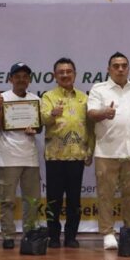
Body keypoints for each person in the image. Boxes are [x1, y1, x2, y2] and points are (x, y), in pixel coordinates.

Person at [87, 52, 130, 250]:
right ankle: (108, 233)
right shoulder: (99, 89)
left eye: (124, 66)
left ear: (128, 68)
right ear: (108, 69)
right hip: (106, 151)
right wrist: (105, 112)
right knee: (106, 195)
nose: (120, 69)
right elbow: (91, 113)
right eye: (116, 66)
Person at [39, 57, 94, 249]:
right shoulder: (48, 97)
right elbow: (42, 120)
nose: (65, 75)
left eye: (68, 71)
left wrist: (90, 150)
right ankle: (53, 236)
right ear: (54, 76)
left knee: (74, 200)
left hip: (77, 155)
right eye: (61, 72)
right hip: (55, 156)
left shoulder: (84, 98)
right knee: (53, 199)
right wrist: (52, 114)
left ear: (75, 74)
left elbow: (90, 127)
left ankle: (71, 236)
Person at [0, 62, 41, 250]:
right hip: (8, 157)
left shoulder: (35, 99)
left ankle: (30, 233)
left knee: (32, 200)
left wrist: (34, 129)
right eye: (17, 76)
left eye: (25, 76)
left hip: (30, 158)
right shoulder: (1, 98)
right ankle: (8, 235)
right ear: (10, 79)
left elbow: (39, 127)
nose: (21, 79)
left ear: (29, 80)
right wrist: (0, 108)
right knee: (7, 201)